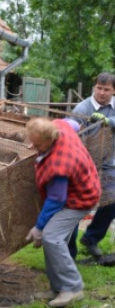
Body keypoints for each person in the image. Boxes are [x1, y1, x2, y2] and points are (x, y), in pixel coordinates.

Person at [26, 117, 100, 308]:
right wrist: (37, 144)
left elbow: (56, 199)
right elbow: (74, 123)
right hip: (79, 186)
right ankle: (58, 287)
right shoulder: (61, 125)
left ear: (50, 139)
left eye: (37, 145)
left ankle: (73, 287)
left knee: (51, 237)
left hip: (80, 199)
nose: (33, 148)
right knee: (55, 240)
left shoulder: (59, 165)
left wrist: (38, 226)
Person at [69, 72, 115, 259]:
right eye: (99, 88)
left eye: (107, 89)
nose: (102, 93)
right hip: (84, 165)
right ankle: (68, 254)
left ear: (113, 91)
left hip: (109, 164)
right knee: (73, 207)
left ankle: (91, 237)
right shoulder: (82, 108)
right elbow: (72, 137)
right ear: (94, 87)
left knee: (112, 201)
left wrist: (108, 121)